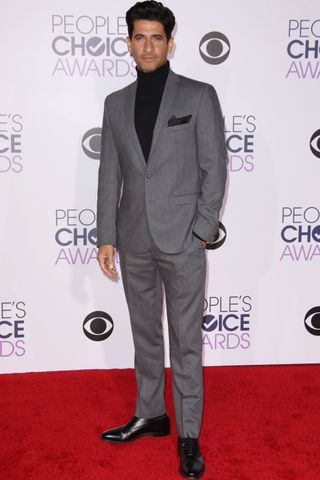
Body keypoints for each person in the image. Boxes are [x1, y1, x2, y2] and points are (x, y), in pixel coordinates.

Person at [96, 1, 226, 477]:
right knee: (145, 335)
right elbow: (110, 173)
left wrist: (202, 230)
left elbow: (215, 168)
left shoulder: (198, 95)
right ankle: (151, 414)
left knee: (186, 340)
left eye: (156, 37)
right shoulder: (115, 102)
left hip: (183, 240)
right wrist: (106, 235)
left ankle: (188, 434)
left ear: (170, 42)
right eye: (139, 37)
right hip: (133, 240)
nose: (147, 45)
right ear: (128, 42)